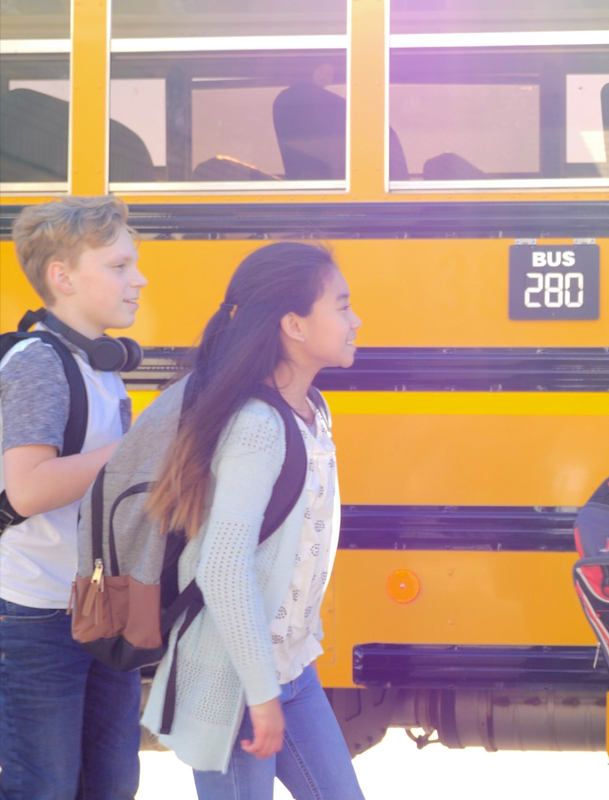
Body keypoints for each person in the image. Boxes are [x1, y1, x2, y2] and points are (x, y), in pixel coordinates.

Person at [142, 242, 365, 800]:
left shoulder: (313, 411)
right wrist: (261, 694)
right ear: (294, 323)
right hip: (235, 679)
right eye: (341, 306)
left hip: (291, 671)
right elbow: (222, 567)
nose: (355, 320)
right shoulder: (257, 426)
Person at [0, 196, 146, 800]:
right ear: (62, 277)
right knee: (46, 787)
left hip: (96, 609)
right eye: (118, 266)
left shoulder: (103, 369)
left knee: (110, 785)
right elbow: (28, 489)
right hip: (37, 617)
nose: (138, 278)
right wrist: (139, 451)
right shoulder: (40, 363)